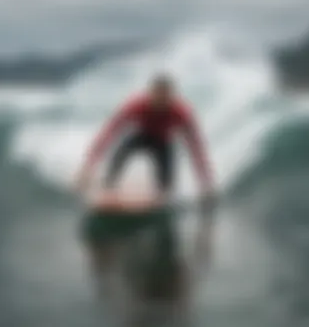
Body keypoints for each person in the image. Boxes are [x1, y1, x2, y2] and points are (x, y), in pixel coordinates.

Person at [75, 73, 217, 308]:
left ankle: (161, 196)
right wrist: (87, 167)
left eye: (165, 97)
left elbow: (196, 148)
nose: (160, 101)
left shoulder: (181, 113)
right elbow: (108, 134)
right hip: (140, 138)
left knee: (166, 183)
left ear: (171, 97)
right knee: (119, 156)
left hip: (163, 144)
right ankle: (109, 187)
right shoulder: (136, 106)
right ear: (150, 94)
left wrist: (205, 184)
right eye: (155, 96)